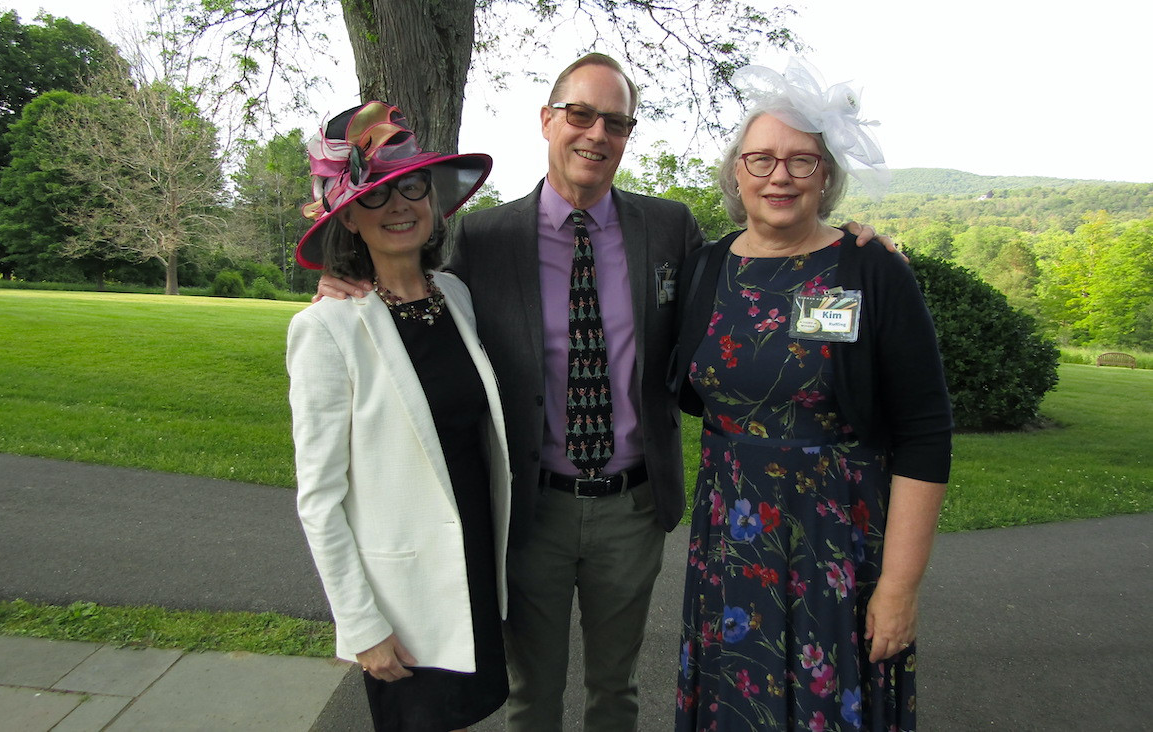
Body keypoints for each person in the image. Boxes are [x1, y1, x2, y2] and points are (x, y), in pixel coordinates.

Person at [316, 53, 888, 731]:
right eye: (580, 114)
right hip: (530, 509)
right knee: (533, 693)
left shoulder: (668, 228)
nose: (596, 134)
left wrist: (843, 247)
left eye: (615, 122)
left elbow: (751, 268)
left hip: (632, 507)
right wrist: (344, 279)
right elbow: (414, 287)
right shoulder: (486, 237)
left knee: (616, 690)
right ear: (547, 120)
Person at [669, 59, 953, 731]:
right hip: (730, 543)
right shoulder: (707, 268)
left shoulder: (869, 267)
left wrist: (899, 586)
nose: (780, 176)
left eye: (802, 160)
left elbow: (924, 431)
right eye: (761, 159)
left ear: (826, 175)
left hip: (837, 546)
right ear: (736, 172)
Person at [286, 100, 511, 732]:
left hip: (471, 562)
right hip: (403, 595)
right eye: (376, 195)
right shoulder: (327, 329)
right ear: (348, 217)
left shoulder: (455, 296)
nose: (398, 206)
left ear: (432, 199)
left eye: (411, 187)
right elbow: (319, 498)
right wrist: (361, 624)